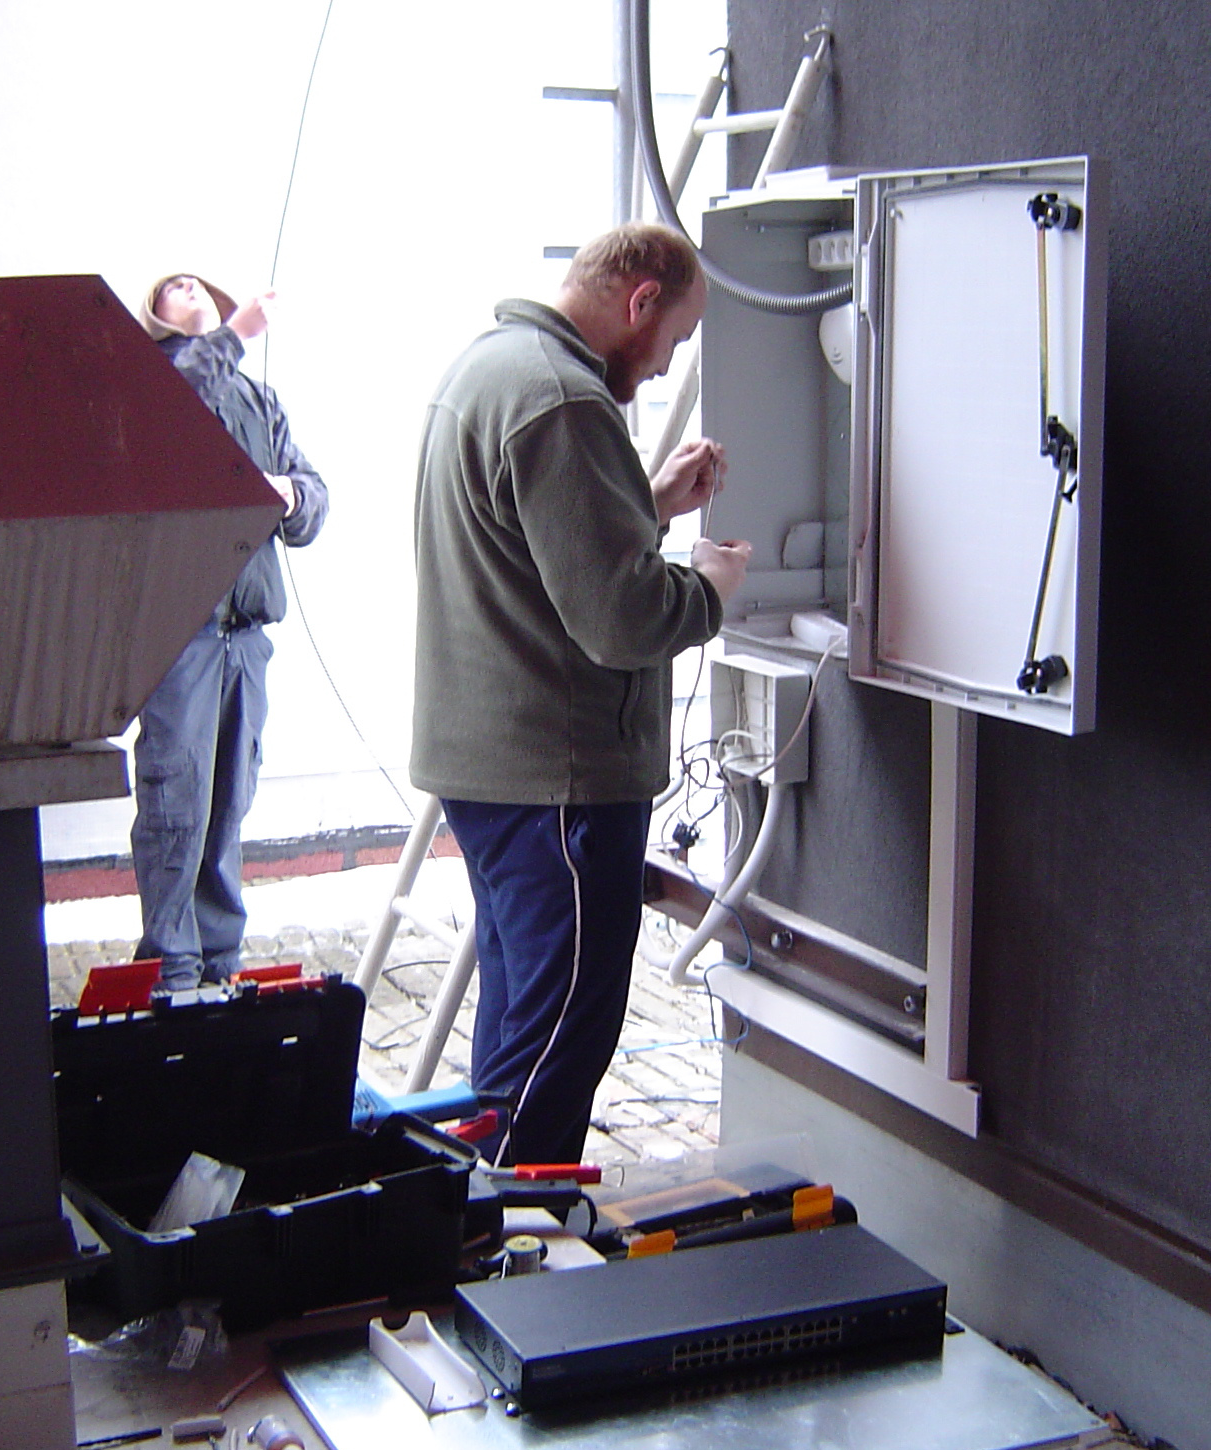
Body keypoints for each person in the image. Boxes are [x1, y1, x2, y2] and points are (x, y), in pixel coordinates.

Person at [409, 223, 752, 1164]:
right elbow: (621, 618)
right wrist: (709, 587)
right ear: (641, 301)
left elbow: (532, 549)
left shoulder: (493, 367)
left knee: (522, 1021)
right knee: (559, 1039)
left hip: (493, 769)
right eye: (676, 335)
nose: (668, 359)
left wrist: (645, 501)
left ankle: (483, 1216)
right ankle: (513, 1218)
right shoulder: (564, 399)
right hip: (557, 779)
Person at [131, 273, 328, 992]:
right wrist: (235, 336)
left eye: (198, 282)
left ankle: (219, 963)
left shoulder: (257, 398)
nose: (191, 288)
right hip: (180, 637)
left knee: (228, 803)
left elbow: (314, 497)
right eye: (174, 286)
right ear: (154, 315)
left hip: (246, 640)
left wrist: (292, 495)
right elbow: (171, 414)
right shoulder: (153, 383)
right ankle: (170, 969)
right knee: (175, 805)